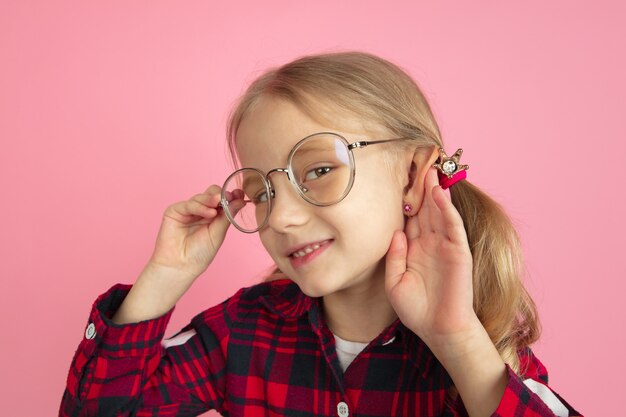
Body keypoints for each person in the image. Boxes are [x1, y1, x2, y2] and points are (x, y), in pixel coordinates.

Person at [59, 51, 582, 417]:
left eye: (317, 170)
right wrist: (164, 278)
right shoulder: (242, 330)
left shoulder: (476, 340)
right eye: (263, 192)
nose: (281, 218)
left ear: (414, 172)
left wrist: (458, 342)